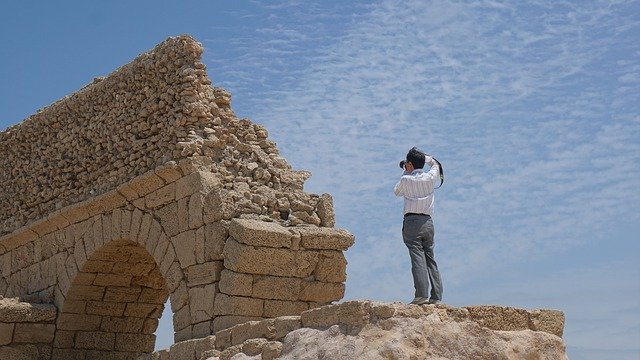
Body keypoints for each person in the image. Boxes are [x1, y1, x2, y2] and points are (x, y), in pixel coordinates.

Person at [394, 147, 443, 305]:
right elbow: (435, 164)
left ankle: (421, 295)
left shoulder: (405, 179)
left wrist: (405, 172)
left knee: (417, 258)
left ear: (409, 164)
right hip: (428, 222)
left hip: (412, 222)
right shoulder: (430, 177)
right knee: (430, 258)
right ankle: (436, 296)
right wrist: (425, 158)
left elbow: (397, 192)